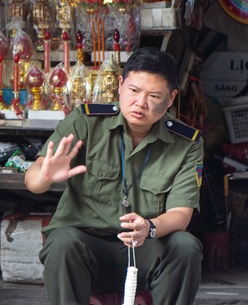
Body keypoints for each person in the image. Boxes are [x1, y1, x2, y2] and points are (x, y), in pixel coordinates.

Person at [24, 47, 204, 305]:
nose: (140, 103)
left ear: (171, 98)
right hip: (87, 247)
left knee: (185, 247)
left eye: (154, 96)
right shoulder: (85, 122)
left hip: (144, 249)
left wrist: (149, 228)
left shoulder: (187, 143)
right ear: (120, 85)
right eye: (134, 91)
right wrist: (47, 175)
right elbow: (32, 182)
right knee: (62, 242)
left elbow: (181, 214)